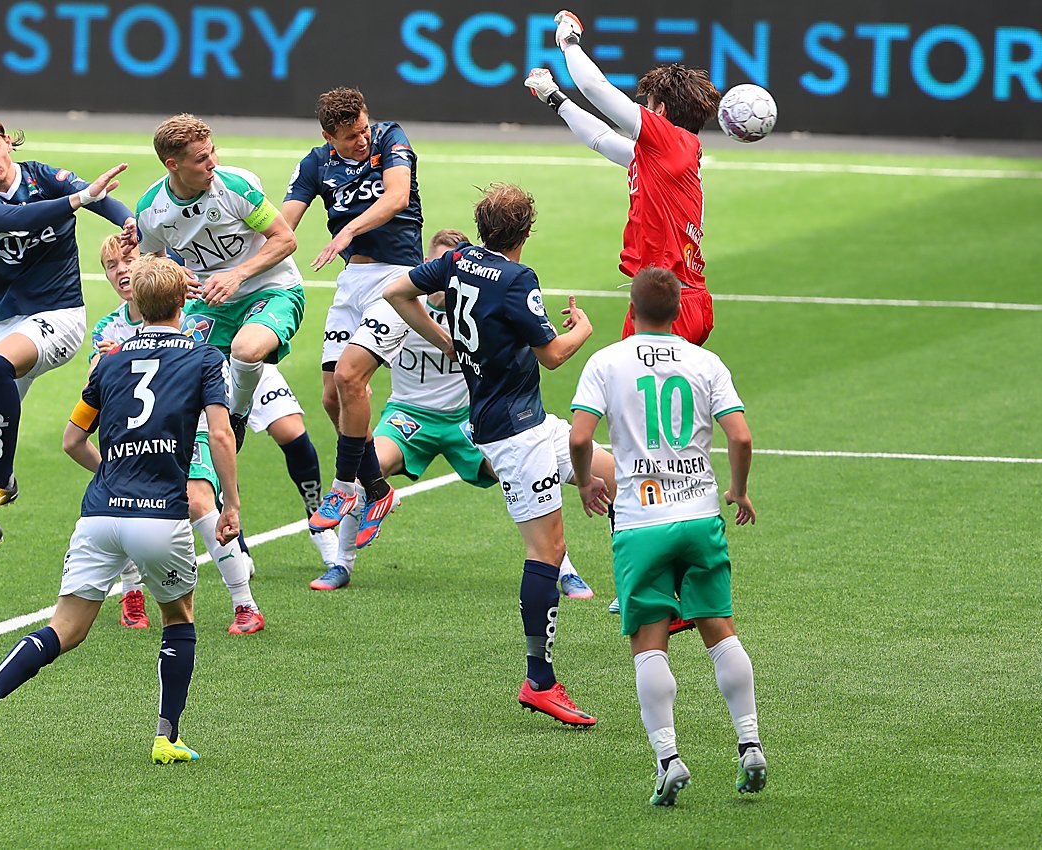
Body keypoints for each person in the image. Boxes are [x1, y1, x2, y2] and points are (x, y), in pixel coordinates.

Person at [0, 255, 238, 767]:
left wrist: (112, 472)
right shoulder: (204, 358)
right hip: (161, 514)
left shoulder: (108, 359)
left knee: (66, 628)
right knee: (178, 617)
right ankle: (166, 737)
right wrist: (230, 503)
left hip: (100, 513)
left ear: (136, 302)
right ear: (182, 302)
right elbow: (219, 433)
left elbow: (72, 439)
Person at [383, 185, 615, 726]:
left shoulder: (457, 260)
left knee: (618, 475)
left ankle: (645, 597)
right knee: (547, 552)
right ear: (526, 231)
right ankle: (540, 681)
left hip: (528, 422)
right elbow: (553, 355)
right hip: (514, 433)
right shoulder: (517, 279)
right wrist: (582, 328)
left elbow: (397, 290)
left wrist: (445, 340)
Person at [568, 266, 765, 805]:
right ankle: (749, 743)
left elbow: (581, 435)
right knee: (719, 628)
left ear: (631, 310)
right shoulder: (706, 362)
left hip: (640, 522)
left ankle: (669, 759)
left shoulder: (606, 361)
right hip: (701, 515)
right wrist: (739, 490)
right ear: (680, 310)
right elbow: (741, 435)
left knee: (648, 643)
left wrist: (586, 483)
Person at [312, 229, 593, 597]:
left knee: (529, 469)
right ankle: (342, 564)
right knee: (370, 467)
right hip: (407, 417)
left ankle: (564, 568)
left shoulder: (483, 307)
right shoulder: (404, 313)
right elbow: (358, 368)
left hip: (467, 419)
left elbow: (534, 341)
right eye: (433, 264)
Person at [0, 114, 137, 589]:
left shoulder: (44, 177)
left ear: (9, 144)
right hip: (11, 321)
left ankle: (3, 479)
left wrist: (127, 219)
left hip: (62, 316)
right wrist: (78, 200)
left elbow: (98, 199)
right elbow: (13, 219)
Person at [89, 235, 267, 634]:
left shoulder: (187, 313)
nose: (122, 271)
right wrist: (101, 361)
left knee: (198, 501)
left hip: (188, 430)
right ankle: (132, 594)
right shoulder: (108, 327)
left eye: (129, 260)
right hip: (133, 436)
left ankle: (245, 603)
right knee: (127, 505)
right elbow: (93, 384)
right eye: (111, 265)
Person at [524, 10, 722, 346]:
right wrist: (554, 98)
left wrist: (569, 42)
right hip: (675, 297)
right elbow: (601, 139)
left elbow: (595, 87)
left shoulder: (670, 140)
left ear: (659, 112)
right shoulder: (667, 156)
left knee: (632, 395)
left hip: (667, 301)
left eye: (647, 104)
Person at [283, 87, 423, 550]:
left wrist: (347, 230)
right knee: (331, 398)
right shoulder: (315, 163)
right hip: (351, 285)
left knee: (349, 377)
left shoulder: (390, 138)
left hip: (399, 281)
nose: (361, 141)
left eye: (363, 129)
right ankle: (379, 491)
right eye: (348, 137)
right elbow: (282, 224)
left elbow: (398, 197)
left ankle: (346, 488)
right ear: (328, 136)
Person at [135, 114, 304, 450]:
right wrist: (172, 269)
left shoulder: (235, 187)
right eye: (201, 159)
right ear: (173, 165)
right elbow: (149, 258)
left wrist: (238, 274)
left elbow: (284, 238)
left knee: (246, 349)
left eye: (213, 152)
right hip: (211, 304)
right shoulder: (151, 209)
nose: (213, 163)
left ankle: (236, 417)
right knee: (173, 371)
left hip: (272, 291)